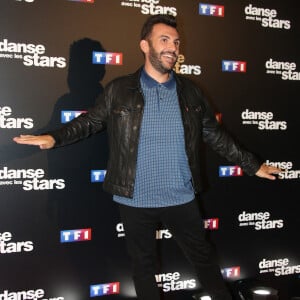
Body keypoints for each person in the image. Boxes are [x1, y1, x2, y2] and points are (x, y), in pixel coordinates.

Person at [13, 14, 282, 300]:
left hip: (181, 197)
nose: (172, 48)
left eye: (176, 42)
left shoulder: (190, 92)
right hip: (135, 199)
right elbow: (89, 122)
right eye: (164, 40)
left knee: (206, 264)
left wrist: (252, 165)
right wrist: (55, 137)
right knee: (144, 269)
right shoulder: (119, 90)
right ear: (145, 45)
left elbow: (215, 134)